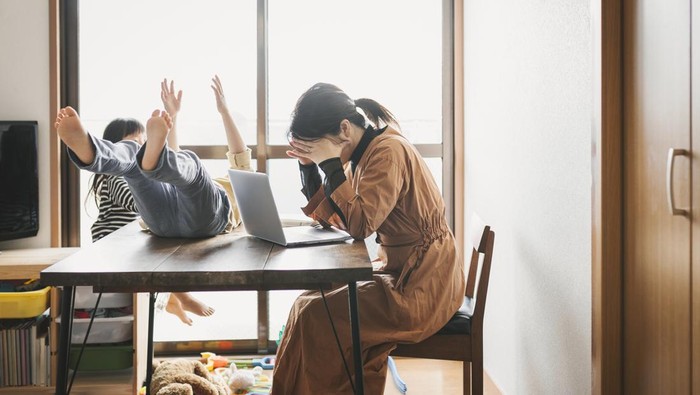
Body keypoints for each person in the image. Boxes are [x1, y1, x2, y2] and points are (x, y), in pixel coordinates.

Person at [272, 83, 466, 394]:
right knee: (307, 300)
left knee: (316, 315)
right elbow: (337, 215)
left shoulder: (387, 153)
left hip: (423, 283)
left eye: (316, 147)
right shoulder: (362, 155)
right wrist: (309, 167)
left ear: (344, 129)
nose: (317, 154)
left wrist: (330, 164)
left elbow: (360, 225)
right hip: (400, 269)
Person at [56, 76, 252, 324]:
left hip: (165, 225)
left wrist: (223, 111)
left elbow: (226, 156)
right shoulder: (237, 185)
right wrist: (174, 119)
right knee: (163, 162)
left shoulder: (229, 182)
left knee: (186, 168)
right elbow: (190, 159)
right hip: (171, 224)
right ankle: (92, 150)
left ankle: (93, 155)